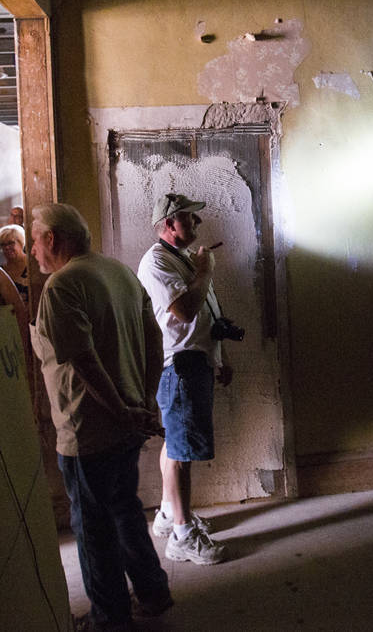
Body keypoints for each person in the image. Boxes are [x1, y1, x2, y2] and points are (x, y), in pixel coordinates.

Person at [28, 202, 172, 629]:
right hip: (125, 426)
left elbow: (84, 364)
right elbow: (153, 339)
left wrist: (124, 411)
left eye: (35, 240)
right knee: (125, 511)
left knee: (92, 532)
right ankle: (153, 593)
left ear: (52, 238)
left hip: (87, 432)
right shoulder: (119, 272)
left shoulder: (61, 286)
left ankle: (109, 618)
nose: (33, 250)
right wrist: (142, 402)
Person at [137, 192, 234, 566]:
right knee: (181, 453)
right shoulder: (157, 261)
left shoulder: (180, 259)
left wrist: (219, 357)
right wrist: (205, 270)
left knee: (175, 446)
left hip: (195, 361)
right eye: (189, 218)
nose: (197, 224)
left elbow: (207, 313)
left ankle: (167, 513)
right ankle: (182, 535)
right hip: (180, 366)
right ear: (168, 223)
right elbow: (184, 310)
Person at [0, 223, 29, 304]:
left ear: (21, 242)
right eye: (3, 245)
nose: (7, 247)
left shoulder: (32, 266)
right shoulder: (0, 272)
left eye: (11, 243)